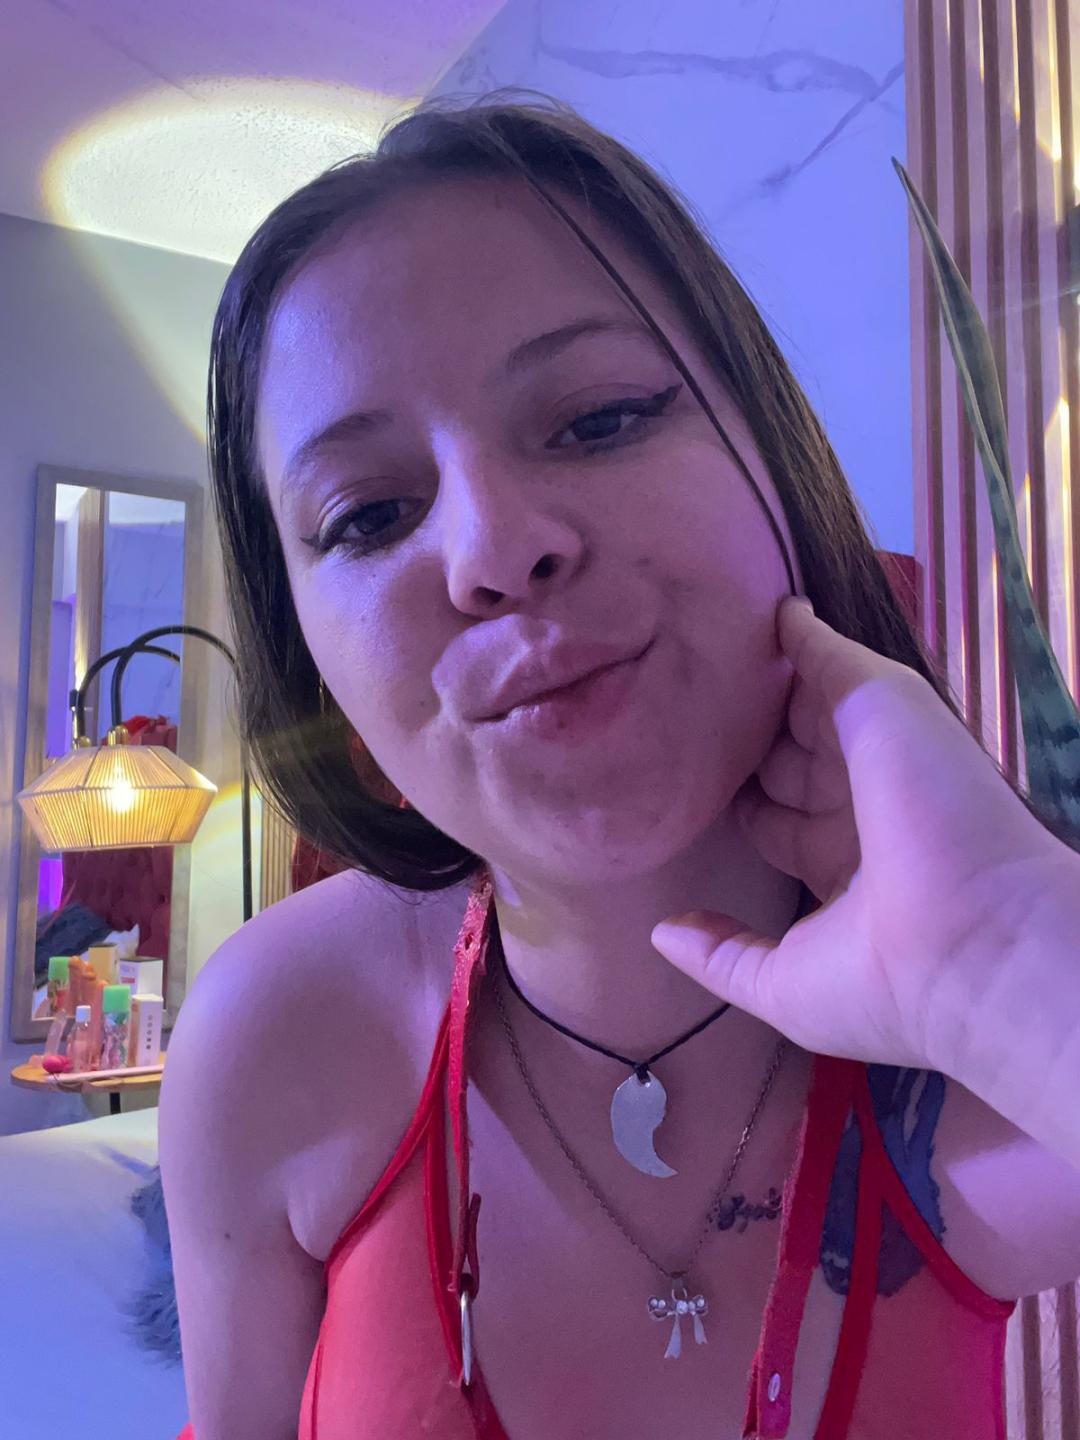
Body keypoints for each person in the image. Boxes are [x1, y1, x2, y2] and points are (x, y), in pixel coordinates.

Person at [161, 91, 1080, 1440]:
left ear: (773, 459)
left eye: (597, 419)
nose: (493, 549)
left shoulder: (984, 1066)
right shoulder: (275, 1034)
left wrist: (1008, 961)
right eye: (369, 513)